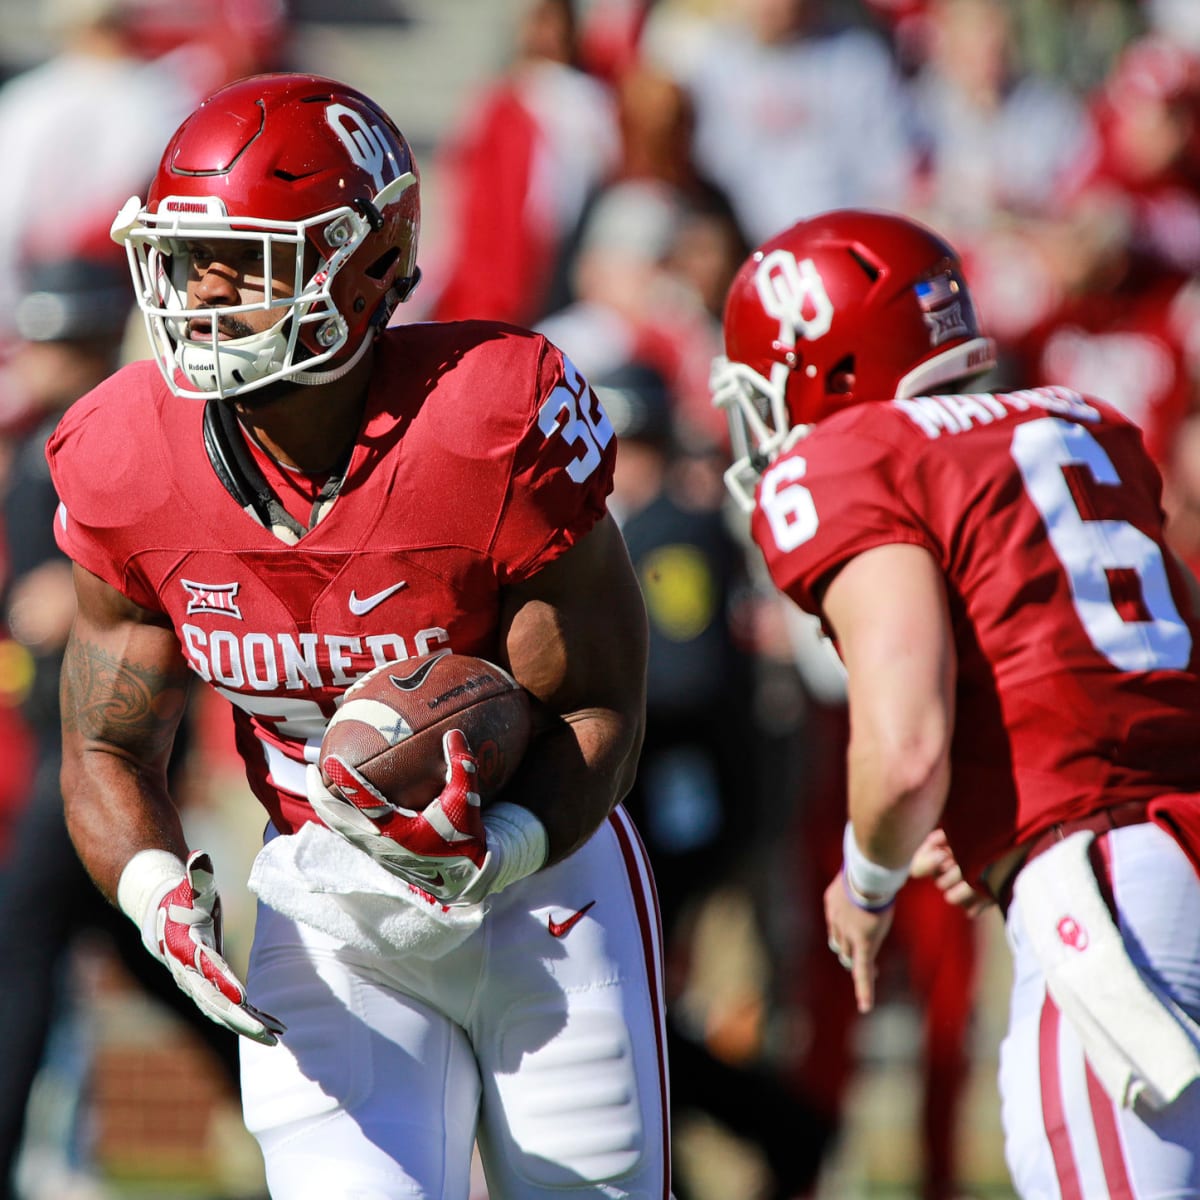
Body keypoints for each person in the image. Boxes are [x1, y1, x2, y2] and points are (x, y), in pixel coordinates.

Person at [46, 72, 670, 1200]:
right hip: (325, 900)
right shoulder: (126, 458)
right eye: (190, 257)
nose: (203, 292)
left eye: (248, 258)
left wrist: (503, 847)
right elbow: (103, 748)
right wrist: (154, 891)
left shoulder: (490, 419)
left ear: (369, 266)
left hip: (543, 887)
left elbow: (602, 708)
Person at [709, 208, 1200, 1196]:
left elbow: (904, 747)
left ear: (831, 367)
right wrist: (999, 810)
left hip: (1104, 882)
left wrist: (866, 881)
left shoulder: (847, 458)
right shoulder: (1076, 419)